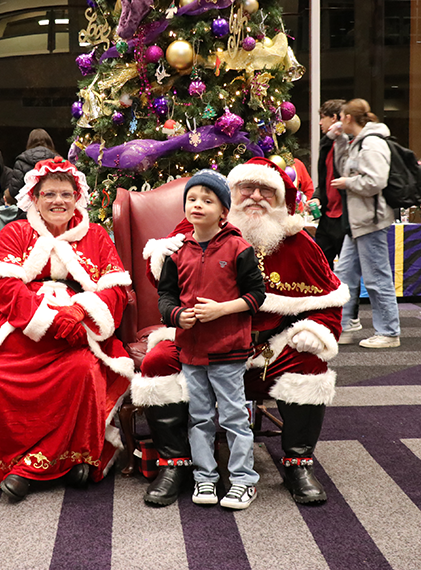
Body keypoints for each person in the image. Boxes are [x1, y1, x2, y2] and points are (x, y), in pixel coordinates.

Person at [135, 157, 347, 507]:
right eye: (247, 188)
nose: (256, 196)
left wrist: (315, 330)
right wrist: (162, 266)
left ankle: (298, 464)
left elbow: (329, 300)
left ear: (280, 199)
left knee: (310, 363)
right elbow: (161, 282)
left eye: (266, 189)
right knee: (158, 361)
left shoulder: (300, 245)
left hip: (270, 350)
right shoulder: (190, 232)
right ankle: (175, 463)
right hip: (200, 342)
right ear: (231, 196)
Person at [0, 156, 134, 501]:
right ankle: (33, 465)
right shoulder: (15, 232)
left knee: (84, 372)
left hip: (77, 334)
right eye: (50, 194)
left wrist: (80, 312)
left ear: (77, 198)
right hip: (18, 332)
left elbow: (116, 290)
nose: (59, 201)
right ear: (35, 198)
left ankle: (47, 465)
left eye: (66, 194)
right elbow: (8, 290)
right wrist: (52, 320)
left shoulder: (97, 236)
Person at [158, 170, 266, 510]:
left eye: (208, 200)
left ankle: (243, 480)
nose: (197, 205)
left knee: (234, 417)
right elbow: (166, 298)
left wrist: (222, 310)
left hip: (229, 350)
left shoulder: (239, 248)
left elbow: (257, 296)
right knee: (200, 417)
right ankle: (206, 478)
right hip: (191, 351)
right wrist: (177, 316)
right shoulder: (177, 252)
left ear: (223, 211)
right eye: (192, 199)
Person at [330, 98, 401, 349]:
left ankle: (389, 332)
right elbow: (345, 169)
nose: (338, 122)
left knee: (376, 277)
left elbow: (376, 181)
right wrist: (338, 140)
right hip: (358, 221)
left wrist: (348, 184)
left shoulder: (371, 143)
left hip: (370, 220)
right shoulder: (357, 142)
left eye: (340, 118)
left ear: (348, 118)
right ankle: (345, 326)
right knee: (345, 275)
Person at [308, 99, 361, 334]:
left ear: (336, 119)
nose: (320, 122)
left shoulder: (351, 144)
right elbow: (324, 177)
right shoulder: (325, 144)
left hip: (346, 217)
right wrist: (318, 196)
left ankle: (352, 317)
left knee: (347, 272)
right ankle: (324, 313)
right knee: (320, 266)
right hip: (328, 215)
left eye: (323, 117)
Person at [12, 129, 58, 193]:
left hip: (27, 201)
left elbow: (14, 189)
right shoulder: (58, 161)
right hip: (53, 199)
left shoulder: (21, 161)